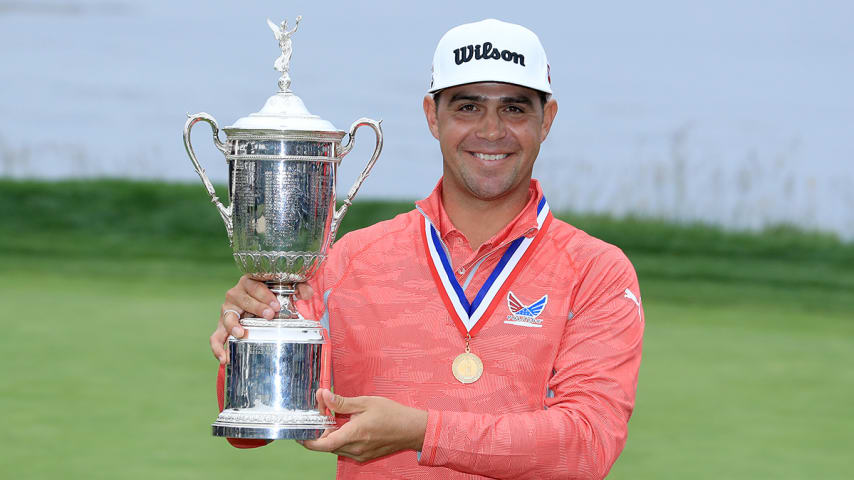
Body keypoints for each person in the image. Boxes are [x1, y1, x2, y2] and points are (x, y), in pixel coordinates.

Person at [210, 18, 644, 479]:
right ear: (432, 116)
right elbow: (251, 429)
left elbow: (587, 445)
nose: (492, 131)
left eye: (515, 109)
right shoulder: (347, 260)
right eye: (468, 108)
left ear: (547, 120)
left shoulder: (597, 271)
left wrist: (423, 432)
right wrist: (252, 334)